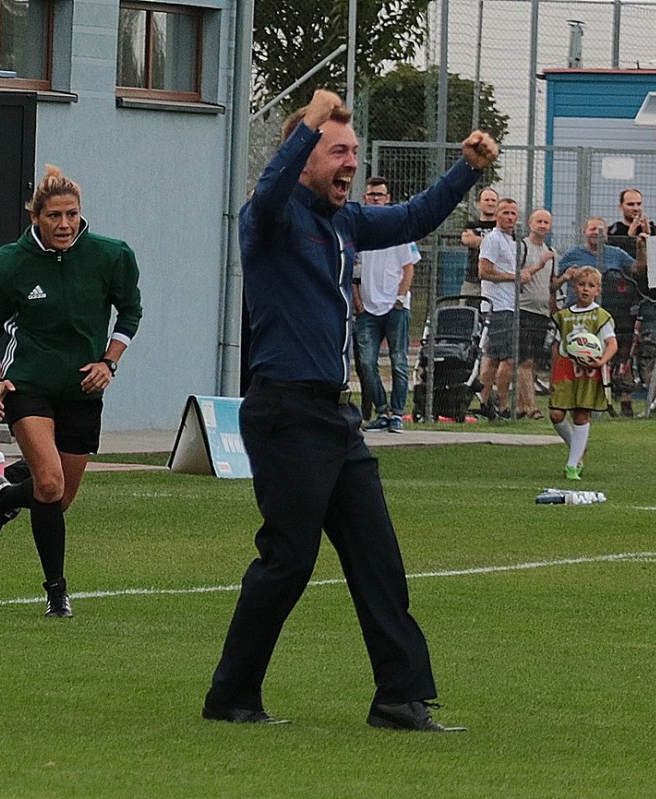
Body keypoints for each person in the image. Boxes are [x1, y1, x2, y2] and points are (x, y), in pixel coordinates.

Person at [202, 88, 497, 731]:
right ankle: (231, 696)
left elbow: (415, 217)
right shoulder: (270, 217)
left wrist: (467, 169)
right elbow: (271, 188)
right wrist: (310, 119)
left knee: (377, 559)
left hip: (336, 418)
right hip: (285, 413)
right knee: (288, 561)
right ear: (305, 152)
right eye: (338, 151)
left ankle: (399, 698)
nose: (352, 164)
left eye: (355, 152)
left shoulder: (347, 222)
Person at [0, 165, 142, 619]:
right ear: (36, 218)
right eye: (54, 216)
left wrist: (108, 363)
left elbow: (130, 312)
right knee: (48, 482)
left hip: (82, 392)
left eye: (72, 214)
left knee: (59, 497)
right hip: (28, 385)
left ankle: (4, 496)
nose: (65, 224)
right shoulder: (11, 261)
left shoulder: (111, 255)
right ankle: (57, 592)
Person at [557, 217, 647, 416]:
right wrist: (565, 278)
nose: (596, 233)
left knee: (620, 355)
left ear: (606, 233)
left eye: (601, 229)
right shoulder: (572, 255)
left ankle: (624, 401)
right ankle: (580, 401)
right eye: (592, 229)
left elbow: (638, 270)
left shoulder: (616, 254)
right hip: (580, 316)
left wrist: (641, 249)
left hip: (612, 313)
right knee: (581, 357)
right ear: (584, 231)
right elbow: (556, 281)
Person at [354, 177, 420, 432]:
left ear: (388, 198)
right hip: (367, 309)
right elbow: (353, 271)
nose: (375, 199)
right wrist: (358, 303)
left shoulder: (397, 228)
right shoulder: (359, 231)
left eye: (379, 195)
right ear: (364, 198)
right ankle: (382, 410)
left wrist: (400, 299)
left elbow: (408, 267)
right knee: (366, 363)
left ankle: (398, 414)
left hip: (395, 307)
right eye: (371, 195)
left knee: (398, 361)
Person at [549, 266, 617, 480]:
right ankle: (576, 447)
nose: (585, 289)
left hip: (588, 372)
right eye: (581, 285)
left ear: (598, 290)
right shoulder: (564, 316)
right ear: (574, 288)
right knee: (556, 414)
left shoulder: (600, 316)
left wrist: (601, 362)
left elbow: (612, 344)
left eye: (591, 286)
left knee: (581, 414)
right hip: (566, 369)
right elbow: (557, 345)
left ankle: (572, 465)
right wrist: (553, 372)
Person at [607, 188, 656, 412]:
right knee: (623, 351)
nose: (635, 209)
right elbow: (618, 264)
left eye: (638, 204)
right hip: (622, 301)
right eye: (630, 204)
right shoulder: (614, 232)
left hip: (648, 298)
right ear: (621, 206)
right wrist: (630, 238)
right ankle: (625, 400)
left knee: (652, 350)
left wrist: (651, 240)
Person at [477, 197, 520, 419]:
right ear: (497, 215)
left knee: (494, 357)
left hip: (510, 305)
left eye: (513, 213)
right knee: (507, 358)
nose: (510, 217)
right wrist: (513, 277)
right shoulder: (492, 239)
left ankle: (485, 402)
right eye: (505, 213)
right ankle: (501, 404)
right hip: (497, 306)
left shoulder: (512, 241)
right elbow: (484, 271)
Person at [515, 208, 557, 419]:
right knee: (525, 361)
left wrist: (565, 278)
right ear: (530, 223)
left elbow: (551, 285)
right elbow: (517, 277)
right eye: (538, 221)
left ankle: (520, 407)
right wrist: (539, 265)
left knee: (533, 363)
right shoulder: (521, 247)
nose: (542, 225)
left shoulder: (551, 252)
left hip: (542, 312)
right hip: (523, 309)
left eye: (546, 222)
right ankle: (532, 408)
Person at [460, 187, 497, 297]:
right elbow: (468, 240)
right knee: (465, 307)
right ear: (478, 204)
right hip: (473, 280)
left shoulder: (502, 227)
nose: (490, 203)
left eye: (493, 200)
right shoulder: (471, 225)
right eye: (486, 200)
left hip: (496, 280)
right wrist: (495, 245)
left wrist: (479, 242)